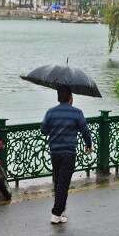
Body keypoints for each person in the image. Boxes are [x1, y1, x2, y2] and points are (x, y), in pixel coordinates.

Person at [40, 86, 92, 224]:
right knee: (63, 183)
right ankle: (56, 213)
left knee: (58, 181)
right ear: (70, 98)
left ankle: (61, 211)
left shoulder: (50, 112)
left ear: (58, 98)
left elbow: (43, 130)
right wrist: (89, 144)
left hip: (54, 152)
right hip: (69, 153)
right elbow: (85, 131)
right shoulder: (77, 113)